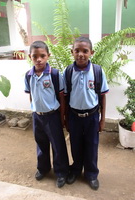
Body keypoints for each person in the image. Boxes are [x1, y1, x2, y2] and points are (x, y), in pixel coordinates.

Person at [63, 36, 109, 190]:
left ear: (91, 53)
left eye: (85, 51)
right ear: (72, 52)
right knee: (75, 145)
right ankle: (75, 170)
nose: (81, 54)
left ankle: (91, 174)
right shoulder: (68, 72)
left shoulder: (97, 71)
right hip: (74, 116)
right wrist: (66, 118)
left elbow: (102, 96)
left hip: (92, 116)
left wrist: (102, 120)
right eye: (77, 51)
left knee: (92, 145)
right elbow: (65, 96)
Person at [24, 41, 69, 188]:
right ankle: (43, 169)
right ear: (30, 56)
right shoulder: (28, 75)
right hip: (37, 116)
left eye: (42, 56)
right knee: (41, 144)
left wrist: (62, 117)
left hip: (52, 116)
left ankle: (61, 172)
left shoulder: (55, 74)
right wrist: (34, 109)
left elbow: (62, 97)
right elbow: (31, 94)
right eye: (35, 56)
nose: (39, 59)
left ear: (48, 56)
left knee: (58, 145)